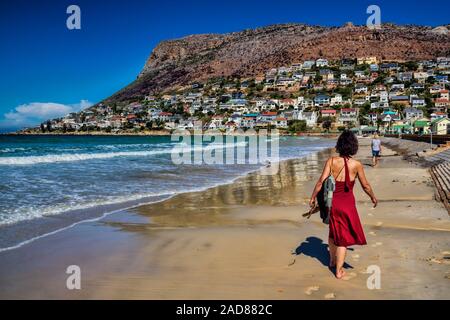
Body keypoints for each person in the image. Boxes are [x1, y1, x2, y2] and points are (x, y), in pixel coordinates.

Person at [309, 130, 377, 279]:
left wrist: (313, 197)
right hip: (347, 205)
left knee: (333, 233)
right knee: (343, 239)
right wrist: (373, 197)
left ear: (339, 145)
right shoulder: (357, 164)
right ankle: (339, 270)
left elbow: (321, 182)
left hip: (332, 204)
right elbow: (365, 185)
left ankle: (333, 261)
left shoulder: (331, 161)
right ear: (354, 146)